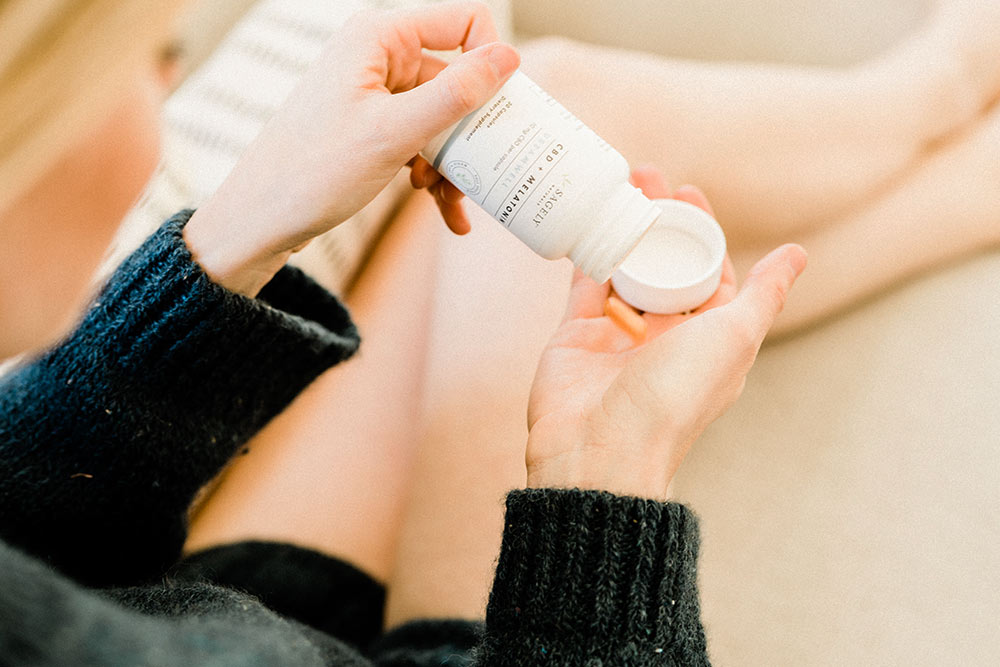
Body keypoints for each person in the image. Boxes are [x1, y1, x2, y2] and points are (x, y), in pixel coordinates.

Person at [0, 1, 805, 664]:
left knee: (531, 149)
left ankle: (922, 142)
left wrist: (241, 233)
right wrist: (604, 474)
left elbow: (31, 533)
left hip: (209, 607)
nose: (171, 84)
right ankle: (921, 120)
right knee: (570, 124)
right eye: (152, 61)